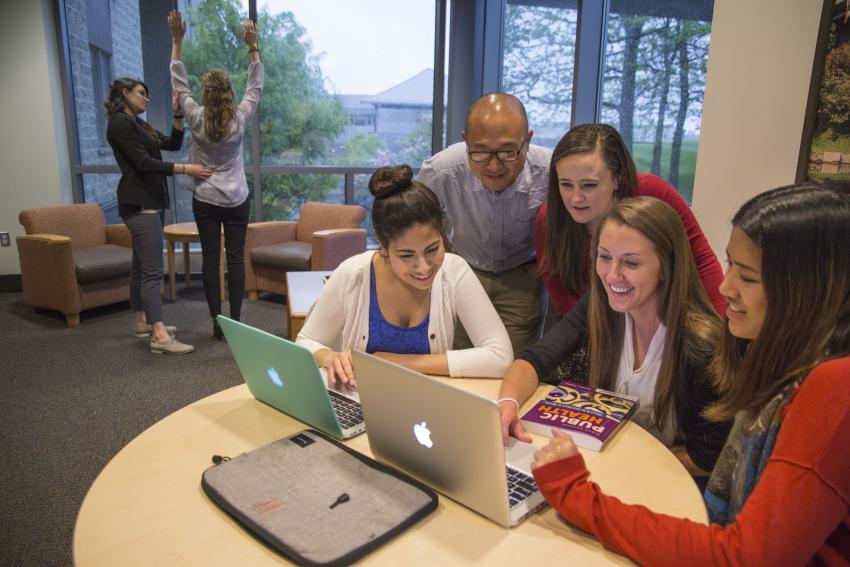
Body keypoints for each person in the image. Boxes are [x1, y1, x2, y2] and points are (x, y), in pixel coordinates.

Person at [531, 184, 850, 565]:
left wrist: (578, 495)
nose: (724, 286)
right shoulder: (792, 363)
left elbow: (745, 556)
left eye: (747, 278)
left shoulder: (834, 387)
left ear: (808, 288)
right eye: (730, 266)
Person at [498, 197, 731, 475]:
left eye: (631, 263)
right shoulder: (599, 305)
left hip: (661, 480)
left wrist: (619, 462)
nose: (611, 275)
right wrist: (507, 405)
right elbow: (535, 359)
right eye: (605, 257)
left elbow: (709, 459)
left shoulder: (702, 346)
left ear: (667, 267)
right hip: (609, 468)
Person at [296, 165, 513, 385]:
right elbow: (306, 340)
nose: (423, 267)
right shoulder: (354, 274)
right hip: (361, 401)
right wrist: (329, 357)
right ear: (384, 246)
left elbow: (501, 357)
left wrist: (394, 363)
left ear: (442, 234)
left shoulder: (454, 271)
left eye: (432, 249)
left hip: (425, 403)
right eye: (406, 255)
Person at [538, 123, 725, 317]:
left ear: (618, 177)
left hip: (665, 315)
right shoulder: (549, 218)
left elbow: (701, 261)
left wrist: (720, 329)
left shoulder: (653, 194)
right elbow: (562, 296)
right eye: (566, 185)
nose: (575, 198)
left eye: (589, 185)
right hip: (593, 322)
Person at [418, 93, 551, 356]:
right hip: (464, 269)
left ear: (528, 141)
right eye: (479, 152)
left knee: (513, 360)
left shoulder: (551, 170)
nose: (493, 166)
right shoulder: (442, 170)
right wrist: (445, 259)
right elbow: (420, 223)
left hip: (523, 276)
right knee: (457, 356)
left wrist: (548, 263)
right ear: (465, 140)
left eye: (507, 152)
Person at [168, 10, 263, 339]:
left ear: (205, 94)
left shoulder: (195, 116)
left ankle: (216, 322)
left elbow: (178, 82)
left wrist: (177, 41)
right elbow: (256, 87)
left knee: (211, 260)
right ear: (228, 92)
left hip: (205, 199)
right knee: (235, 260)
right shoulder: (238, 119)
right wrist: (252, 46)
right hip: (236, 198)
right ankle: (235, 321)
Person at [105, 78, 212, 354]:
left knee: (141, 267)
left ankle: (142, 321)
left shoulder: (137, 124)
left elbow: (172, 143)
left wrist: (178, 115)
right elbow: (143, 163)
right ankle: (159, 335)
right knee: (152, 272)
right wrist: (187, 169)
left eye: (148, 94)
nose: (147, 99)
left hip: (149, 202)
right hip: (140, 204)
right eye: (142, 93)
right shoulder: (119, 123)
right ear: (124, 93)